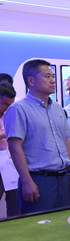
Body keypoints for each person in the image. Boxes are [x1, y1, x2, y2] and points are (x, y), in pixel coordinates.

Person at [5, 59, 70, 214]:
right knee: (39, 226)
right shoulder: (19, 109)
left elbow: (65, 141)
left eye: (53, 76)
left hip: (63, 178)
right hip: (39, 180)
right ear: (31, 81)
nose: (53, 80)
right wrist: (27, 181)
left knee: (63, 223)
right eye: (47, 76)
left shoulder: (58, 108)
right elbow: (15, 146)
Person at [0, 83, 19, 217]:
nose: (6, 108)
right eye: (4, 104)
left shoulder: (9, 114)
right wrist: (4, 134)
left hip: (10, 164)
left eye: (9, 105)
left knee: (15, 203)